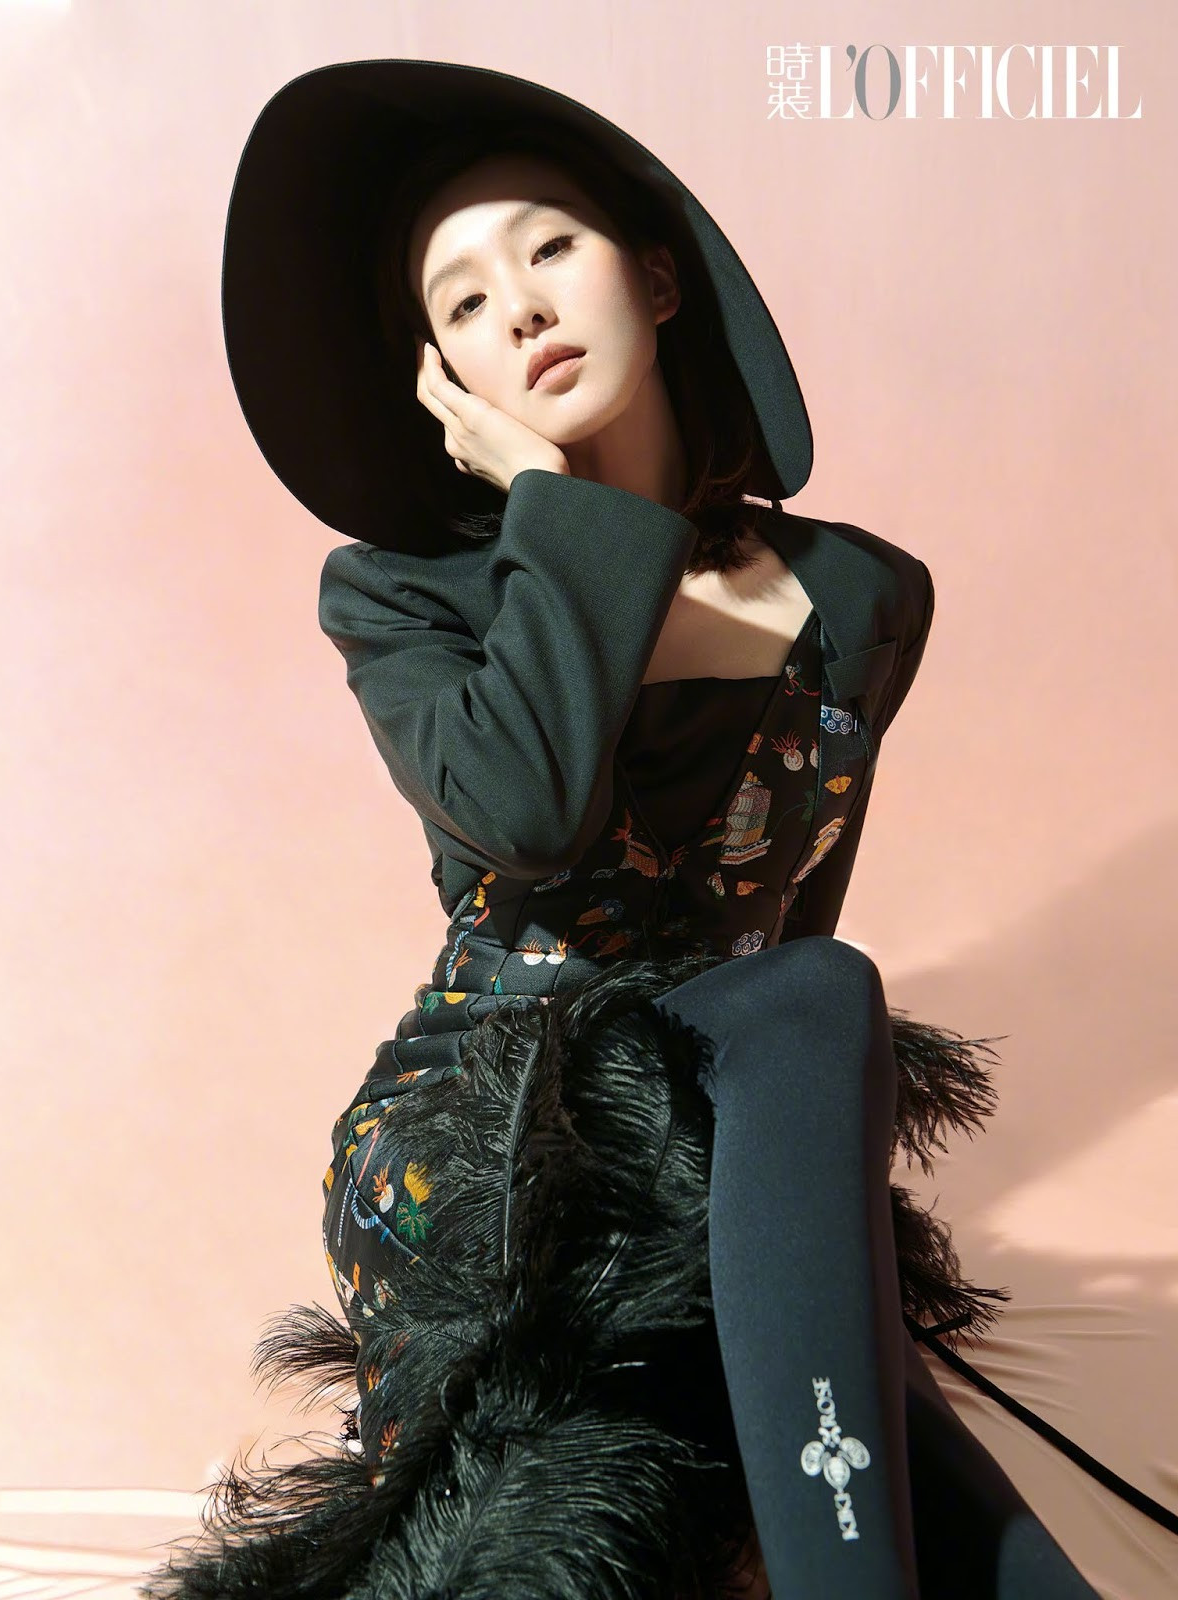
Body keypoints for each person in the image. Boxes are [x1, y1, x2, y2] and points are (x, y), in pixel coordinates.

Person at [142, 60, 1105, 1600]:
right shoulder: (402, 598)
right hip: (497, 1132)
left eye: (549, 248)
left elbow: (781, 908)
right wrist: (555, 507)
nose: (520, 307)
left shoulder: (859, 593)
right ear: (444, 379)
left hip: (731, 1106)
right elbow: (526, 813)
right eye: (464, 303)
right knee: (585, 1499)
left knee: (890, 1428)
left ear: (655, 278)